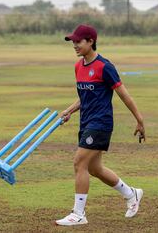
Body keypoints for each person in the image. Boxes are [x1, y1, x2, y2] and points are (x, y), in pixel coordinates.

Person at [55, 24, 146, 226]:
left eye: (78, 41)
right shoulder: (79, 66)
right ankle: (132, 194)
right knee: (95, 169)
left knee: (79, 162)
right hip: (86, 122)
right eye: (73, 42)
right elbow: (85, 98)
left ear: (90, 41)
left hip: (101, 123)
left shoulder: (105, 67)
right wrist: (69, 110)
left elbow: (125, 96)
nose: (75, 45)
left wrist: (139, 120)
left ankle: (78, 214)